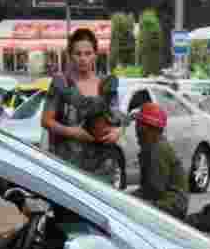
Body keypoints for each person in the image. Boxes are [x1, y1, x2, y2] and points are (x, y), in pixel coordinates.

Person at [41, 27, 123, 184]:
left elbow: (117, 119)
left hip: (103, 168)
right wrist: (73, 132)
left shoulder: (105, 84)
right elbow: (46, 121)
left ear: (95, 55)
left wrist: (117, 132)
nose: (83, 58)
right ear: (71, 56)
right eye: (78, 54)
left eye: (88, 53)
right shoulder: (61, 83)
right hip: (68, 167)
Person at [131, 102, 189, 219]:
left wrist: (128, 199)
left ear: (147, 128)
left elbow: (154, 190)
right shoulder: (152, 146)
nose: (136, 129)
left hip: (171, 204)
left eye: (138, 125)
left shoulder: (157, 150)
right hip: (168, 201)